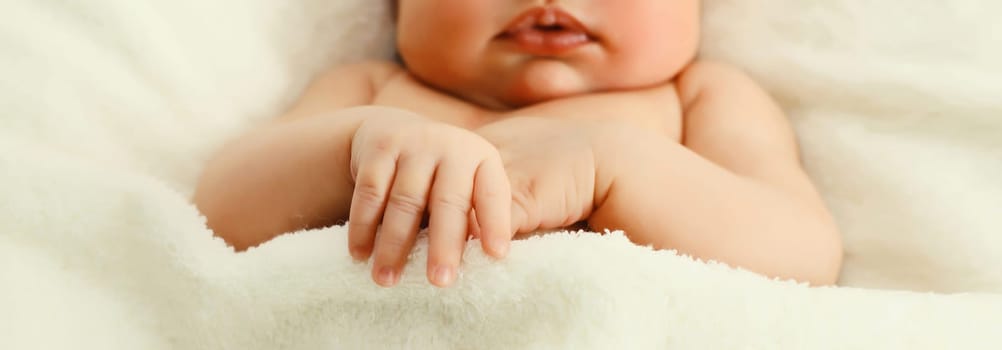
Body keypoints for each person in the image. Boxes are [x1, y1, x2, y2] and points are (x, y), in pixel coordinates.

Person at [194, 0, 843, 288]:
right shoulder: (373, 90)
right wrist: (356, 149)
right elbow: (218, 211)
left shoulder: (696, 97)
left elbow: (805, 252)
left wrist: (616, 164)